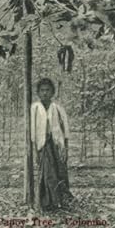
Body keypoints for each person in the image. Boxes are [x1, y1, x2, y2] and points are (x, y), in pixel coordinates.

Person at [31, 77, 74, 211]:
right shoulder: (35, 108)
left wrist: (65, 148)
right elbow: (33, 130)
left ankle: (62, 200)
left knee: (60, 171)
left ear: (52, 92)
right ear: (38, 92)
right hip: (43, 145)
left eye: (48, 90)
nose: (45, 93)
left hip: (56, 145)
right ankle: (48, 203)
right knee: (47, 173)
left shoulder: (57, 108)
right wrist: (34, 150)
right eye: (42, 90)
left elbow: (65, 130)